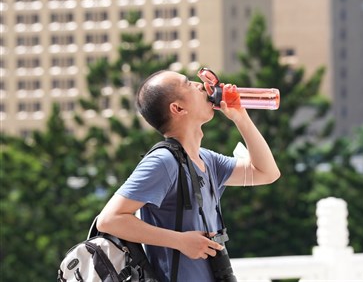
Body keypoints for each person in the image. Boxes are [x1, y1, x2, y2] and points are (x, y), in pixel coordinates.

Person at [96, 70, 281, 281]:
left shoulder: (207, 159)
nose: (201, 85)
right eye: (189, 84)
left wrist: (241, 117)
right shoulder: (164, 162)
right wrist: (180, 241)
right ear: (177, 108)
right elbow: (109, 220)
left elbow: (267, 173)